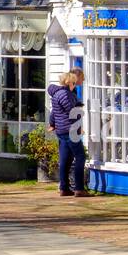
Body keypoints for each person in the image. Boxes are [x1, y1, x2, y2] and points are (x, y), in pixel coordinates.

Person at [48, 69, 87, 197]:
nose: (75, 84)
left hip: (61, 130)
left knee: (65, 159)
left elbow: (53, 112)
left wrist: (52, 124)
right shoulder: (66, 95)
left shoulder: (57, 95)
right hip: (70, 130)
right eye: (74, 82)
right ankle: (79, 188)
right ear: (69, 82)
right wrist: (79, 127)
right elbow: (73, 113)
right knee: (80, 157)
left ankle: (64, 188)